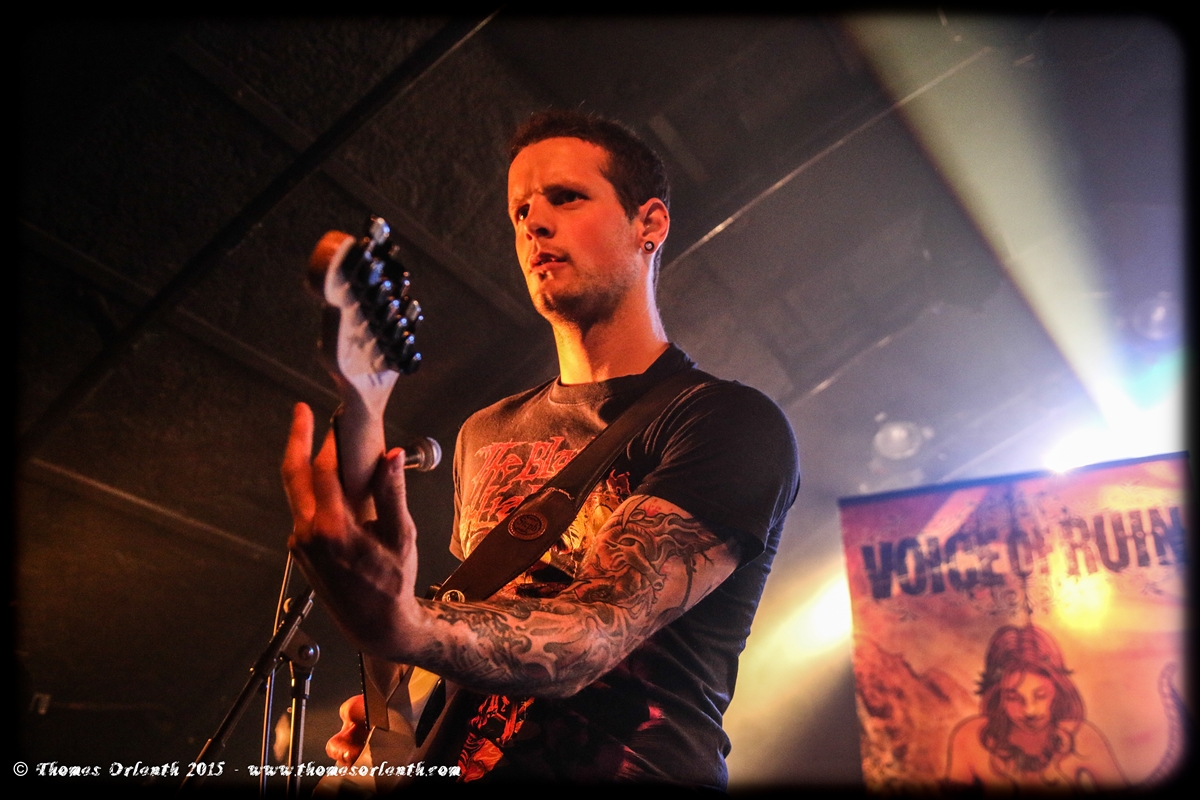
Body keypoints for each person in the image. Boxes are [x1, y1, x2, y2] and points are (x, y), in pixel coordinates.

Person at [282, 110, 800, 787]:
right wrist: (404, 718)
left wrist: (408, 626)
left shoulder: (727, 422)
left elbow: (596, 631)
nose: (534, 223)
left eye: (566, 197)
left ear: (649, 224)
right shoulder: (483, 432)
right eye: (520, 210)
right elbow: (475, 626)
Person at [945, 624, 1126, 790]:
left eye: (1040, 695)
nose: (1029, 710)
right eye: (1013, 697)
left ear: (1058, 690)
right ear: (997, 696)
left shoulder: (1082, 737)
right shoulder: (969, 737)